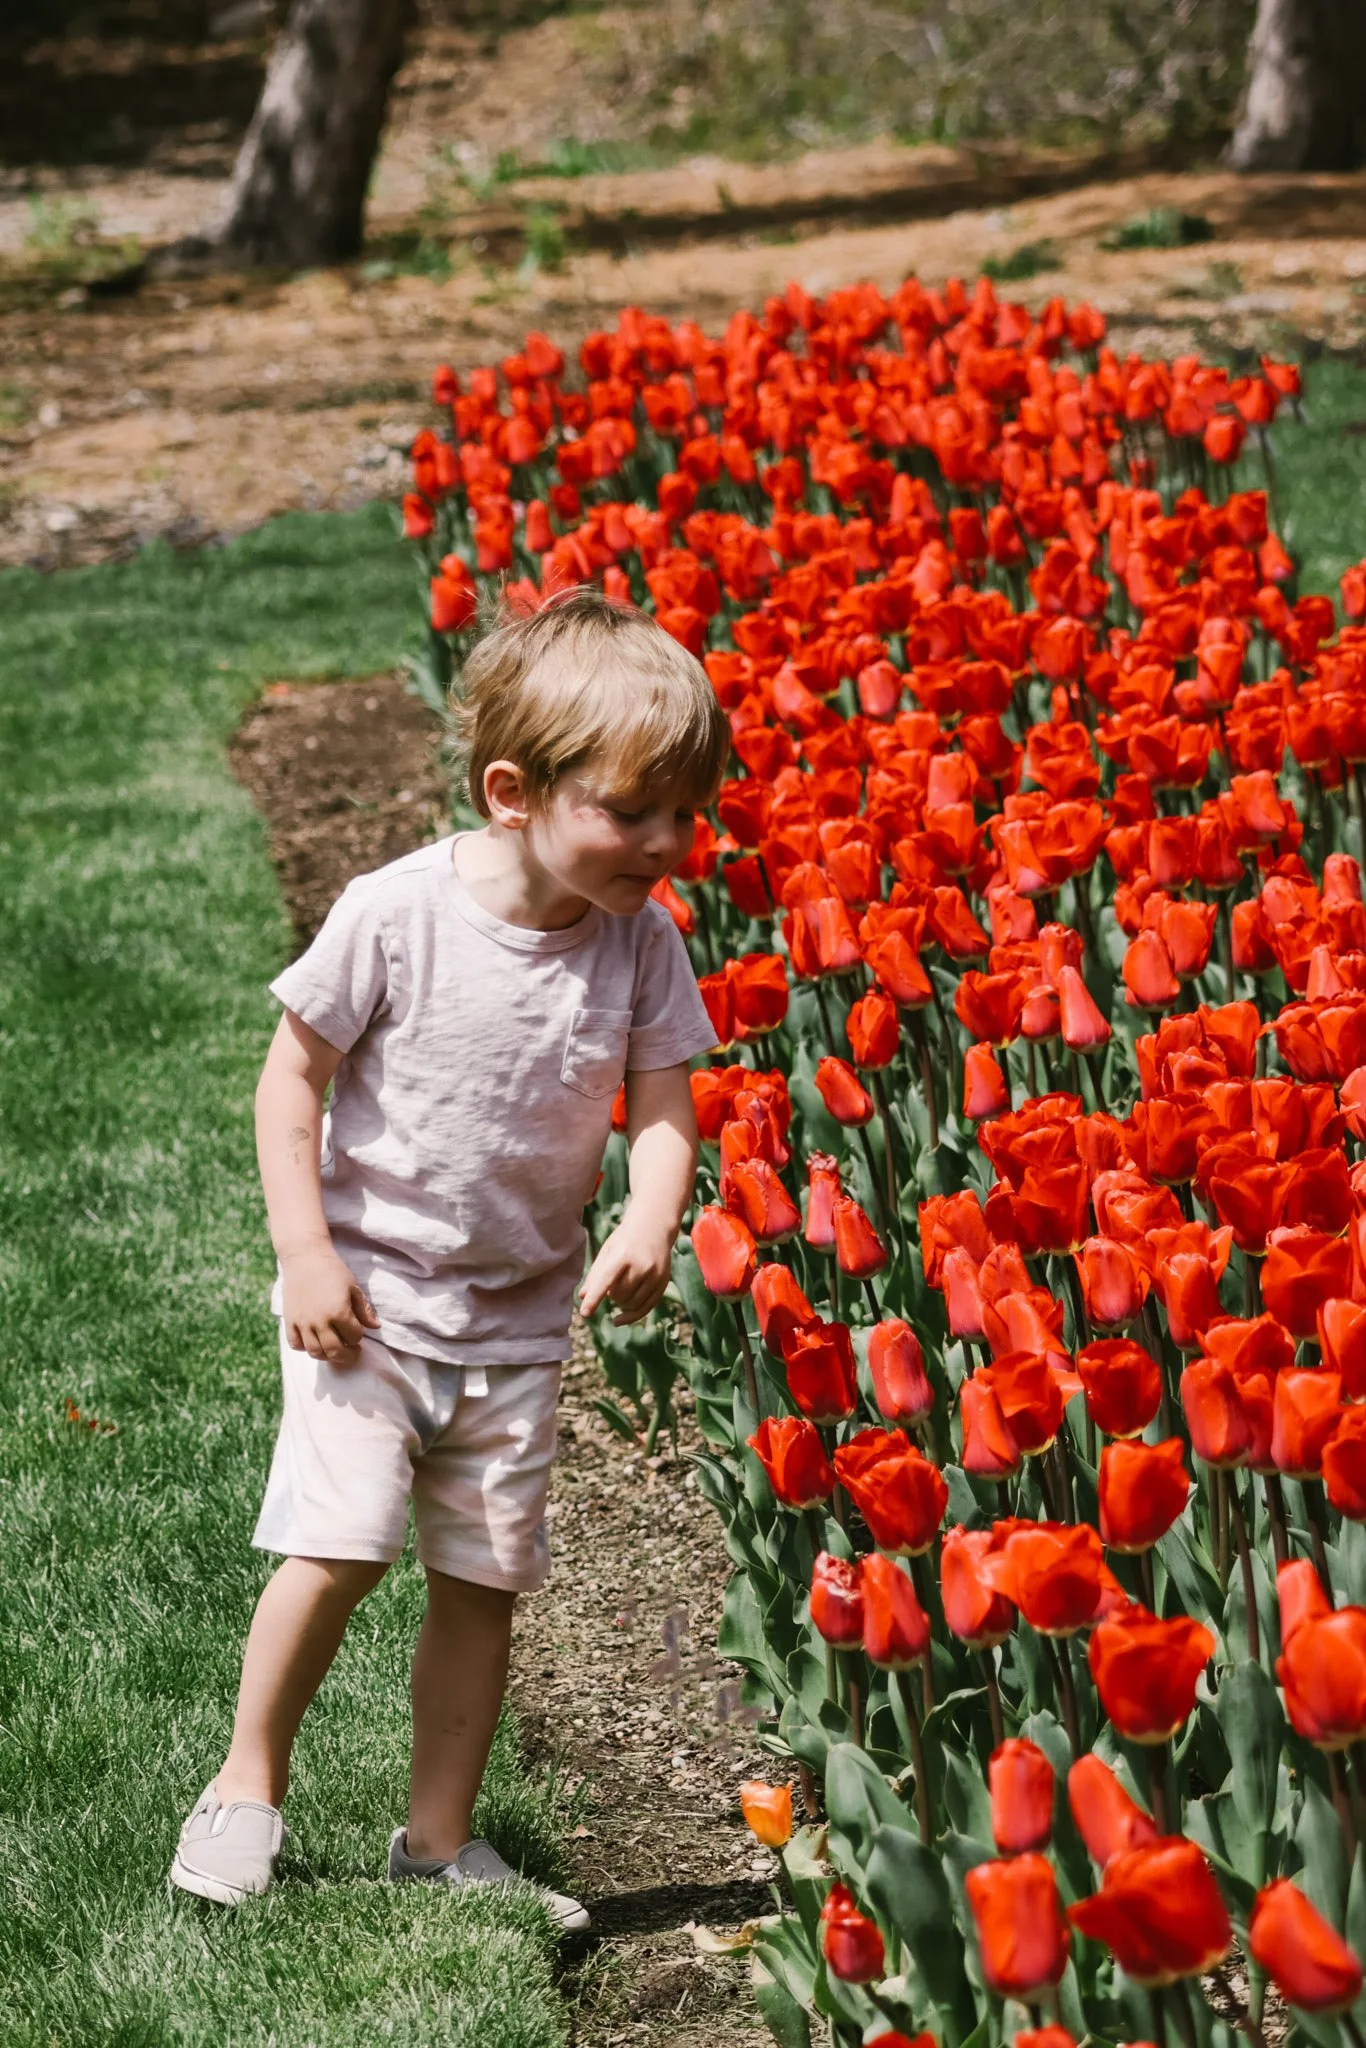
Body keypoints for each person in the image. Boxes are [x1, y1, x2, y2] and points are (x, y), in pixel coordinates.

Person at [168, 587, 727, 1921]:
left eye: (681, 814)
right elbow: (288, 1084)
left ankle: (435, 1843)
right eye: (631, 811)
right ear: (512, 792)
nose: (666, 843)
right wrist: (305, 1253)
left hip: (517, 1327)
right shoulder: (397, 912)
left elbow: (662, 1104)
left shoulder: (639, 944)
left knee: (482, 1586)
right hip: (368, 1306)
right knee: (340, 1548)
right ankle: (245, 1786)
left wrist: (652, 1217)